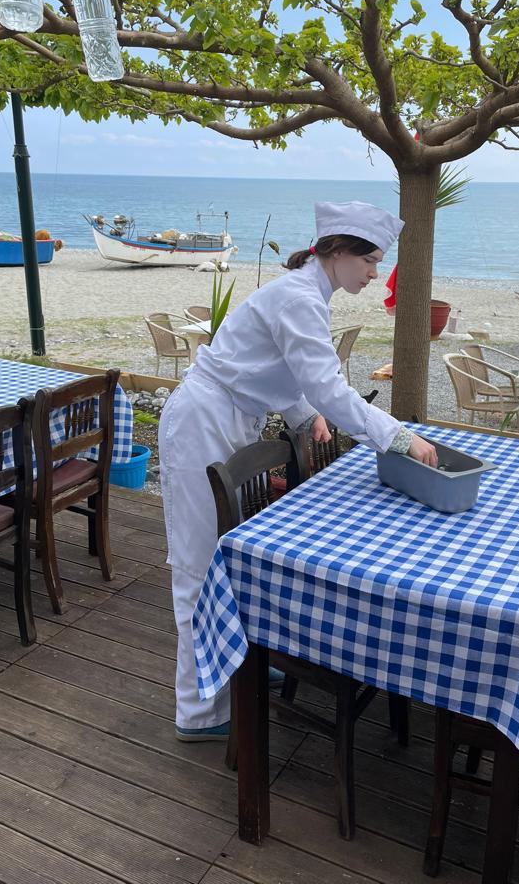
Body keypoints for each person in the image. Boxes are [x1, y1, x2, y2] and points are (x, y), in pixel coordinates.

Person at [159, 199, 438, 741]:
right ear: (337, 251)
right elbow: (326, 384)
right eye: (371, 260)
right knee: (196, 565)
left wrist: (303, 415)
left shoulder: (307, 294)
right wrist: (397, 435)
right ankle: (197, 713)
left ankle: (231, 669)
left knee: (223, 559)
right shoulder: (298, 297)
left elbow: (284, 369)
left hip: (230, 415)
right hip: (201, 421)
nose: (375, 272)